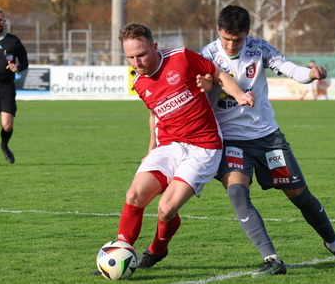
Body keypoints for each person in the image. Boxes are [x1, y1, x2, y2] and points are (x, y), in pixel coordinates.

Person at [198, 5, 335, 278]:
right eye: (226, 38)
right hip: (231, 141)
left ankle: (334, 245)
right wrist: (203, 85)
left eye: (237, 39)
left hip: (267, 138)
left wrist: (310, 74)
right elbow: (198, 83)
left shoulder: (260, 49)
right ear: (218, 31)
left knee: (301, 197)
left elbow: (290, 69)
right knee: (237, 193)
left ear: (247, 34)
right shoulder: (206, 54)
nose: (231, 45)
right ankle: (272, 259)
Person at [93, 23, 254, 276]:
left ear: (154, 47)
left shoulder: (182, 57)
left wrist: (240, 94)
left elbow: (219, 75)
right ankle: (120, 253)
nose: (137, 62)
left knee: (166, 209)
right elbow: (153, 114)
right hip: (168, 145)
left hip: (204, 146)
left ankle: (157, 249)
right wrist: (151, 148)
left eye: (141, 55)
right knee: (134, 195)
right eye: (131, 57)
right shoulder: (139, 83)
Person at [0, 8, 28, 164]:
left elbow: (25, 62)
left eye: (0, 20)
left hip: (6, 87)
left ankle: (4, 144)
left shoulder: (13, 41)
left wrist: (18, 68)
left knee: (7, 125)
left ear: (4, 21)